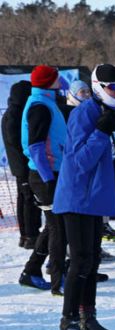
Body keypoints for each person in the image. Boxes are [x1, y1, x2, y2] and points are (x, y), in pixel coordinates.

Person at [53, 63, 115, 330]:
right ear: (99, 88)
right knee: (79, 262)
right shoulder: (83, 113)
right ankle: (69, 326)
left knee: (92, 261)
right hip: (77, 197)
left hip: (96, 198)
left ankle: (87, 320)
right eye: (113, 88)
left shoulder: (110, 112)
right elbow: (78, 162)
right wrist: (102, 132)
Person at [18, 66, 69, 294]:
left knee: (53, 226)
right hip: (45, 174)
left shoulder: (46, 102)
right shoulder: (40, 106)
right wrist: (49, 178)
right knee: (59, 228)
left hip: (52, 171)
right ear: (49, 82)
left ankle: (32, 271)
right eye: (57, 77)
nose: (61, 80)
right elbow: (35, 146)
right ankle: (59, 281)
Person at [2, 80, 41, 252]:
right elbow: (17, 143)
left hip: (20, 165)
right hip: (22, 165)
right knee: (28, 200)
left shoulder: (14, 113)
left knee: (24, 199)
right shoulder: (15, 115)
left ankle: (27, 234)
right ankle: (30, 235)